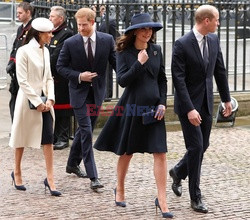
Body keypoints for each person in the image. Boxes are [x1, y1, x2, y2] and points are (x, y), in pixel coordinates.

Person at [94, 13, 173, 218]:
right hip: (133, 108)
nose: (148, 33)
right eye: (144, 29)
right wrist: (139, 63)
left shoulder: (156, 50)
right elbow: (122, 81)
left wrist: (163, 103)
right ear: (135, 31)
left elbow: (162, 80)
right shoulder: (124, 52)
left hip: (155, 109)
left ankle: (162, 200)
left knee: (160, 153)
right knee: (127, 152)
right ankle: (119, 188)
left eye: (150, 29)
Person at [170, 5, 232, 213]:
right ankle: (195, 197)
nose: (218, 23)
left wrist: (226, 100)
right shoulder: (182, 44)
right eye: (216, 19)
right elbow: (178, 80)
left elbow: (219, 71)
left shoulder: (213, 39)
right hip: (188, 105)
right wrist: (189, 109)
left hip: (206, 102)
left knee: (202, 146)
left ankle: (178, 171)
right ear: (206, 20)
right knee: (196, 147)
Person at [57, 8, 116, 190]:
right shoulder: (70, 43)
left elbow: (116, 64)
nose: (81, 28)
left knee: (84, 131)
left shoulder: (107, 40)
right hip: (78, 93)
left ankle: (72, 164)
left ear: (92, 22)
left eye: (84, 24)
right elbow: (60, 67)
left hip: (96, 94)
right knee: (87, 131)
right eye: (78, 24)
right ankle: (93, 177)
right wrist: (79, 76)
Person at [9, 17, 61, 197]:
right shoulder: (23, 51)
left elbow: (48, 77)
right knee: (21, 138)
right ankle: (16, 172)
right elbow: (21, 80)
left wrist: (50, 99)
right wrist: (37, 102)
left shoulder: (46, 51)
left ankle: (51, 178)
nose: (51, 35)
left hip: (45, 101)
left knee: (48, 139)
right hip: (27, 101)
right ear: (39, 34)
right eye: (48, 33)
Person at [48, 6, 74, 150]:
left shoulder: (66, 33)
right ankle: (56, 136)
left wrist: (48, 67)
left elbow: (56, 56)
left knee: (63, 108)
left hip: (61, 76)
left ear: (61, 19)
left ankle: (63, 137)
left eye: (52, 16)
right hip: (52, 76)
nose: (50, 18)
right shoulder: (52, 33)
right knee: (54, 107)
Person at [6, 2, 33, 122]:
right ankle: (15, 125)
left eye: (20, 13)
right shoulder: (20, 28)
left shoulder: (33, 29)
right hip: (16, 70)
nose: (18, 15)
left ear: (28, 13)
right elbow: (15, 47)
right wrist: (11, 62)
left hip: (25, 70)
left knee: (22, 100)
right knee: (14, 99)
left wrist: (16, 63)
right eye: (17, 13)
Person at [98, 5, 120, 100]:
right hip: (96, 54)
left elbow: (117, 37)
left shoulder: (110, 21)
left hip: (107, 53)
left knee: (107, 75)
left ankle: (107, 96)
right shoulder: (97, 20)